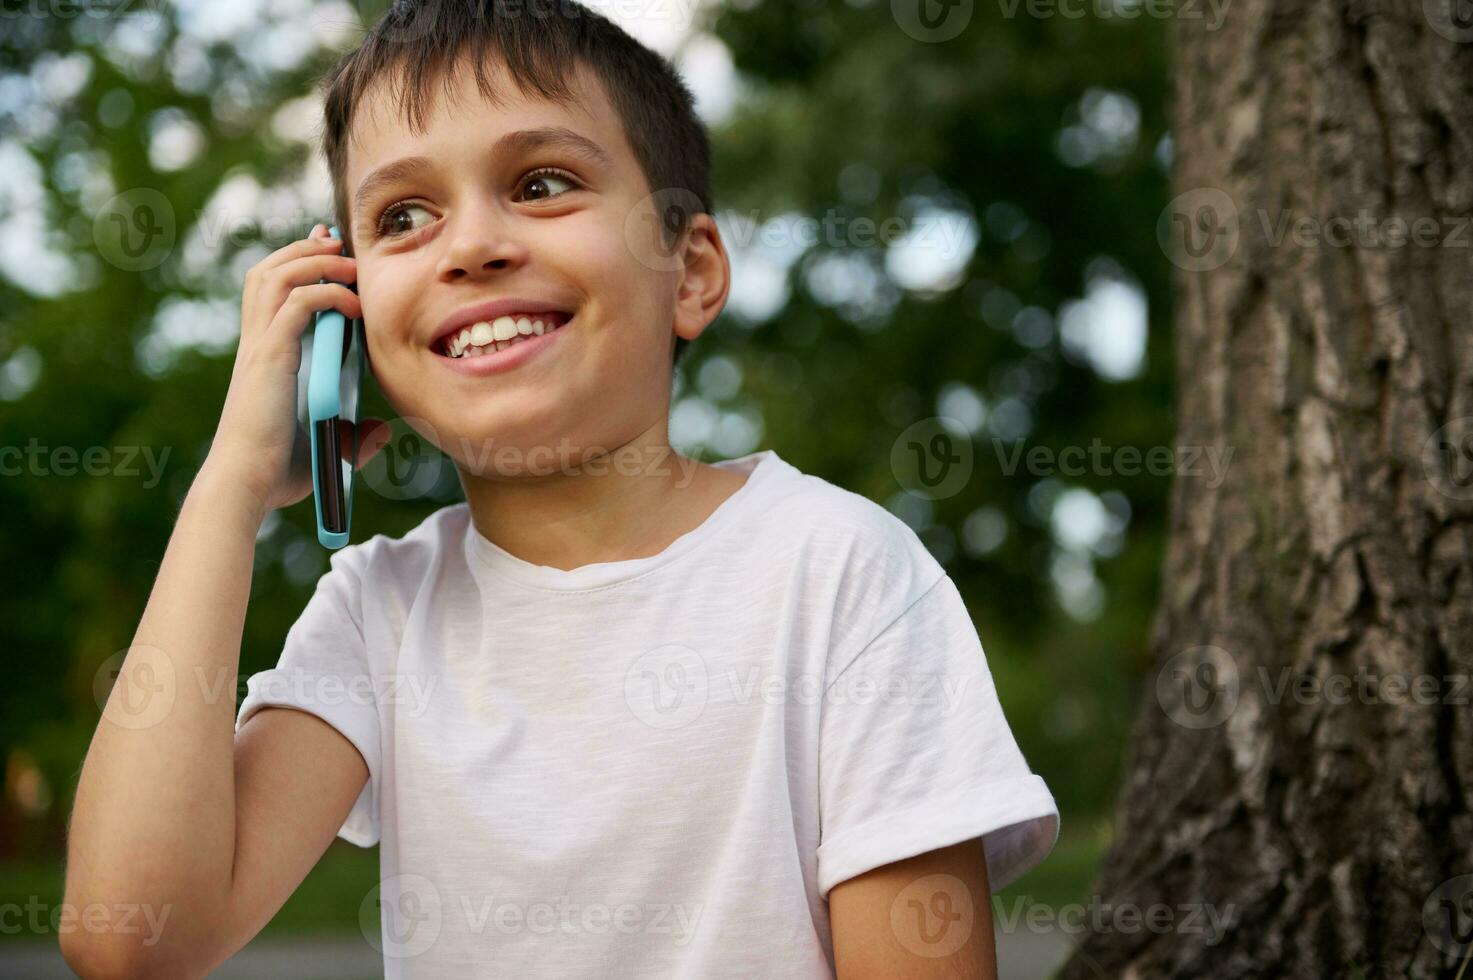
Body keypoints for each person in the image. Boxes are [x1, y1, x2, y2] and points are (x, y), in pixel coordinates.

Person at [61, 2, 1058, 977]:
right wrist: (228, 487)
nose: (473, 245)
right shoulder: (380, 614)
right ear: (347, 320)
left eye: (540, 183)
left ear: (691, 270)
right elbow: (132, 937)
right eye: (403, 216)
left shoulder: (842, 571)